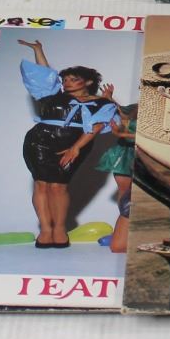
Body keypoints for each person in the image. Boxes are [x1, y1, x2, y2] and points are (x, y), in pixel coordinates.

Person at [18, 39, 118, 248]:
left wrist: (75, 148)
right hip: (39, 142)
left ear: (88, 82)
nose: (67, 82)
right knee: (41, 184)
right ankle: (46, 230)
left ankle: (59, 228)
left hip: (75, 144)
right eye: (65, 79)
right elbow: (45, 74)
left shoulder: (101, 102)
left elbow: (97, 126)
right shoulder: (52, 94)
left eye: (74, 79)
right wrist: (38, 50)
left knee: (59, 186)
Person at [97, 102, 137, 253]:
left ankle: (129, 232)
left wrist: (124, 134)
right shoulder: (132, 108)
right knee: (124, 192)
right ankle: (121, 232)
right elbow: (122, 118)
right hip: (125, 151)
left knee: (136, 193)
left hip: (144, 152)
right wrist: (108, 100)